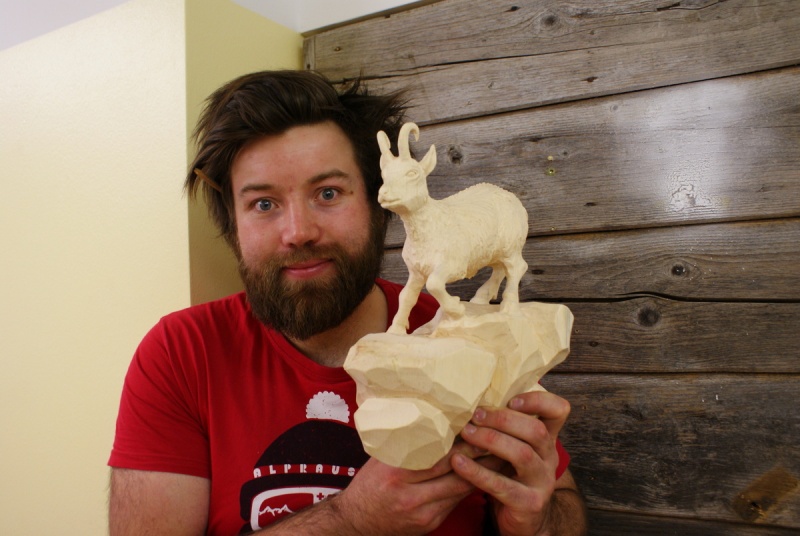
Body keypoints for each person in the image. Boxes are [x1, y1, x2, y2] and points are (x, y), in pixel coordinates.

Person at [108, 70, 588, 535]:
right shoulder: (181, 354)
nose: (298, 232)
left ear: (378, 205)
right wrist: (351, 521)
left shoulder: (468, 334)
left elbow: (562, 508)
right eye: (263, 204)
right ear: (233, 225)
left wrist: (537, 520)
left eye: (328, 193)